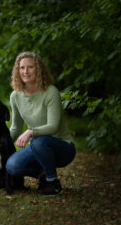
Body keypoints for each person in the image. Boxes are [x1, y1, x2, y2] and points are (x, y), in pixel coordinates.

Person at [5, 51, 76, 195]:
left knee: (37, 140)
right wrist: (0, 143)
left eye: (30, 67)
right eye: (22, 68)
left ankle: (52, 182)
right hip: (38, 146)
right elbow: (16, 128)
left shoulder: (51, 91)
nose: (25, 71)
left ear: (39, 69)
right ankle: (43, 175)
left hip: (62, 147)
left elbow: (53, 126)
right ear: (17, 71)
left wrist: (31, 131)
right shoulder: (15, 96)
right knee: (12, 166)